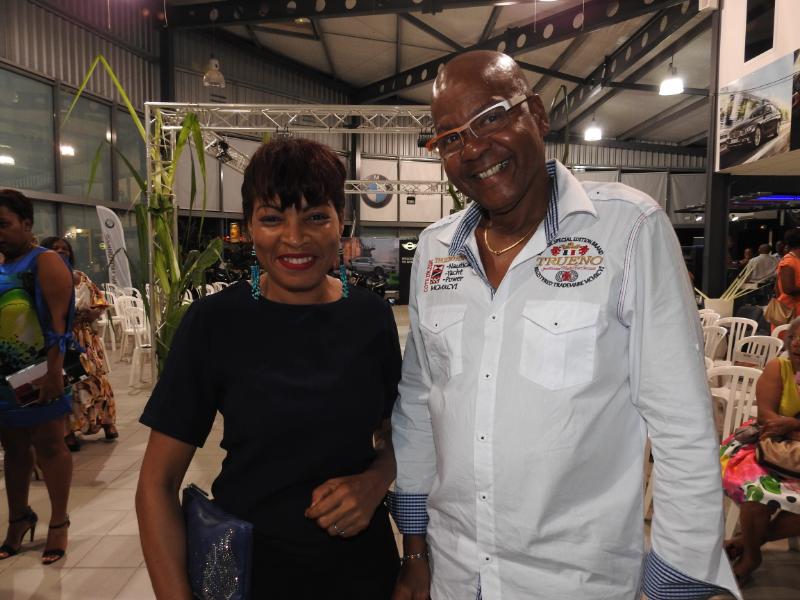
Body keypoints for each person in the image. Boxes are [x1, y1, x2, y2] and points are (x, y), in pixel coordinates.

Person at [390, 51, 739, 600]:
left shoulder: (628, 229)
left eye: (490, 118)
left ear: (536, 114)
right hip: (456, 572)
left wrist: (674, 582)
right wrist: (415, 552)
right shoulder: (437, 249)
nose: (474, 148)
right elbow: (418, 403)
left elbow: (681, 422)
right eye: (451, 138)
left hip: (575, 581)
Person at [136, 138, 401, 599]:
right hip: (250, 571)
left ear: (341, 222)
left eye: (315, 216)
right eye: (273, 218)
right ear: (249, 227)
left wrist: (376, 481)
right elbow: (157, 484)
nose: (294, 238)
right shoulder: (215, 322)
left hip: (362, 569)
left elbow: (401, 437)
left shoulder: (370, 317)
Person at [0, 189, 75, 565]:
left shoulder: (45, 261)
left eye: (3, 224)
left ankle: (58, 522)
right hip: (3, 375)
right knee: (13, 449)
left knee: (49, 445)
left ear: (26, 223)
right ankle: (19, 519)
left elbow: (60, 324)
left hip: (36, 370)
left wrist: (53, 372)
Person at [721, 316, 800, 584]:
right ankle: (752, 557)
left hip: (790, 445)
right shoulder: (779, 367)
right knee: (755, 494)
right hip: (770, 446)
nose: (796, 344)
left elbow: (783, 423)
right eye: (793, 337)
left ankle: (744, 543)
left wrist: (791, 424)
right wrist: (789, 427)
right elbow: (768, 418)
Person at [40, 236, 118, 451]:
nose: (60, 251)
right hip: (61, 338)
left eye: (64, 248)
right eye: (54, 248)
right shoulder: (42, 280)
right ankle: (69, 432)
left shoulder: (81, 277)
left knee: (97, 380)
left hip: (86, 339)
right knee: (69, 384)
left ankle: (108, 423)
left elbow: (100, 302)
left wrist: (92, 313)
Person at [774, 229, 800, 319]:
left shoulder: (795, 259)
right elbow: (788, 289)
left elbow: (776, 287)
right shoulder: (789, 261)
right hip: (790, 311)